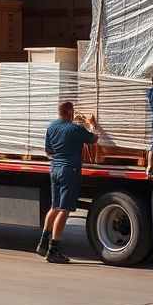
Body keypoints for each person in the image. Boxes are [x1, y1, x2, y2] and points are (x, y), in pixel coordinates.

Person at [36, 102, 98, 263]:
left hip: (54, 169)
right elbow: (93, 139)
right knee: (64, 210)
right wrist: (91, 125)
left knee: (54, 207)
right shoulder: (74, 129)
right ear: (69, 112)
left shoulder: (51, 127)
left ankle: (43, 242)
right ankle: (53, 250)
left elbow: (48, 151)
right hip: (69, 171)